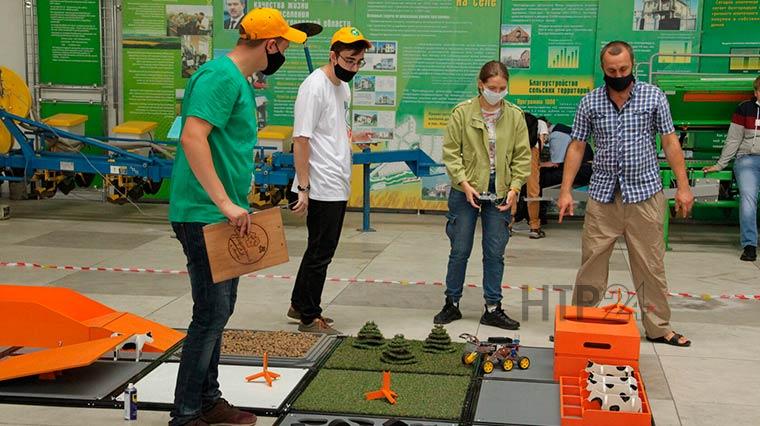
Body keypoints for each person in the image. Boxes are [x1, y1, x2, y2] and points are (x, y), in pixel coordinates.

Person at [167, 8, 305, 426]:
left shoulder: (235, 80)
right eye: (283, 46)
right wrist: (226, 203)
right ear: (270, 45)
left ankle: (207, 400)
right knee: (209, 313)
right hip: (205, 213)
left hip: (223, 215)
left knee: (219, 312)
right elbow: (193, 138)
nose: (283, 53)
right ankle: (187, 412)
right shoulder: (220, 78)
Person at [557, 41, 694, 347]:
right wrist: (565, 190)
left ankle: (659, 327)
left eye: (623, 69)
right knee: (592, 261)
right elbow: (577, 146)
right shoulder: (590, 102)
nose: (618, 75)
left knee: (650, 263)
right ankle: (580, 322)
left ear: (633, 66)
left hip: (645, 194)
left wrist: (683, 187)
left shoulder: (653, 97)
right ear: (602, 69)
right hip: (603, 196)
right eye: (611, 71)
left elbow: (670, 142)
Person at [434, 60, 531, 330]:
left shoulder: (514, 115)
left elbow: (523, 157)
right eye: (492, 87)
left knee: (495, 251)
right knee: (460, 249)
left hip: (500, 190)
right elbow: (451, 153)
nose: (497, 92)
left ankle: (492, 307)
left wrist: (514, 189)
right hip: (465, 189)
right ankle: (451, 303)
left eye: (502, 88)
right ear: (481, 84)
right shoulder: (462, 113)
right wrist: (464, 183)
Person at [288, 27, 373, 335]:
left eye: (359, 61)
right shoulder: (314, 87)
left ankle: (299, 303)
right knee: (322, 251)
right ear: (333, 55)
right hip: (320, 182)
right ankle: (310, 317)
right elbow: (300, 139)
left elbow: (332, 130)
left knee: (319, 248)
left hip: (337, 180)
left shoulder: (342, 88)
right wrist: (304, 187)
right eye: (349, 60)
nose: (353, 67)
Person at [703, 75, 760, 262]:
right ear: (756, 92)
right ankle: (750, 245)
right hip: (748, 160)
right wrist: (720, 164)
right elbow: (734, 139)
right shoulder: (745, 108)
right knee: (748, 197)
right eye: (759, 91)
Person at [539, 122, 593, 189]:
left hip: (583, 170)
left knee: (544, 177)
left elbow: (555, 164)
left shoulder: (555, 135)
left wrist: (538, 165)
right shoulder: (562, 130)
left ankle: (539, 198)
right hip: (586, 168)